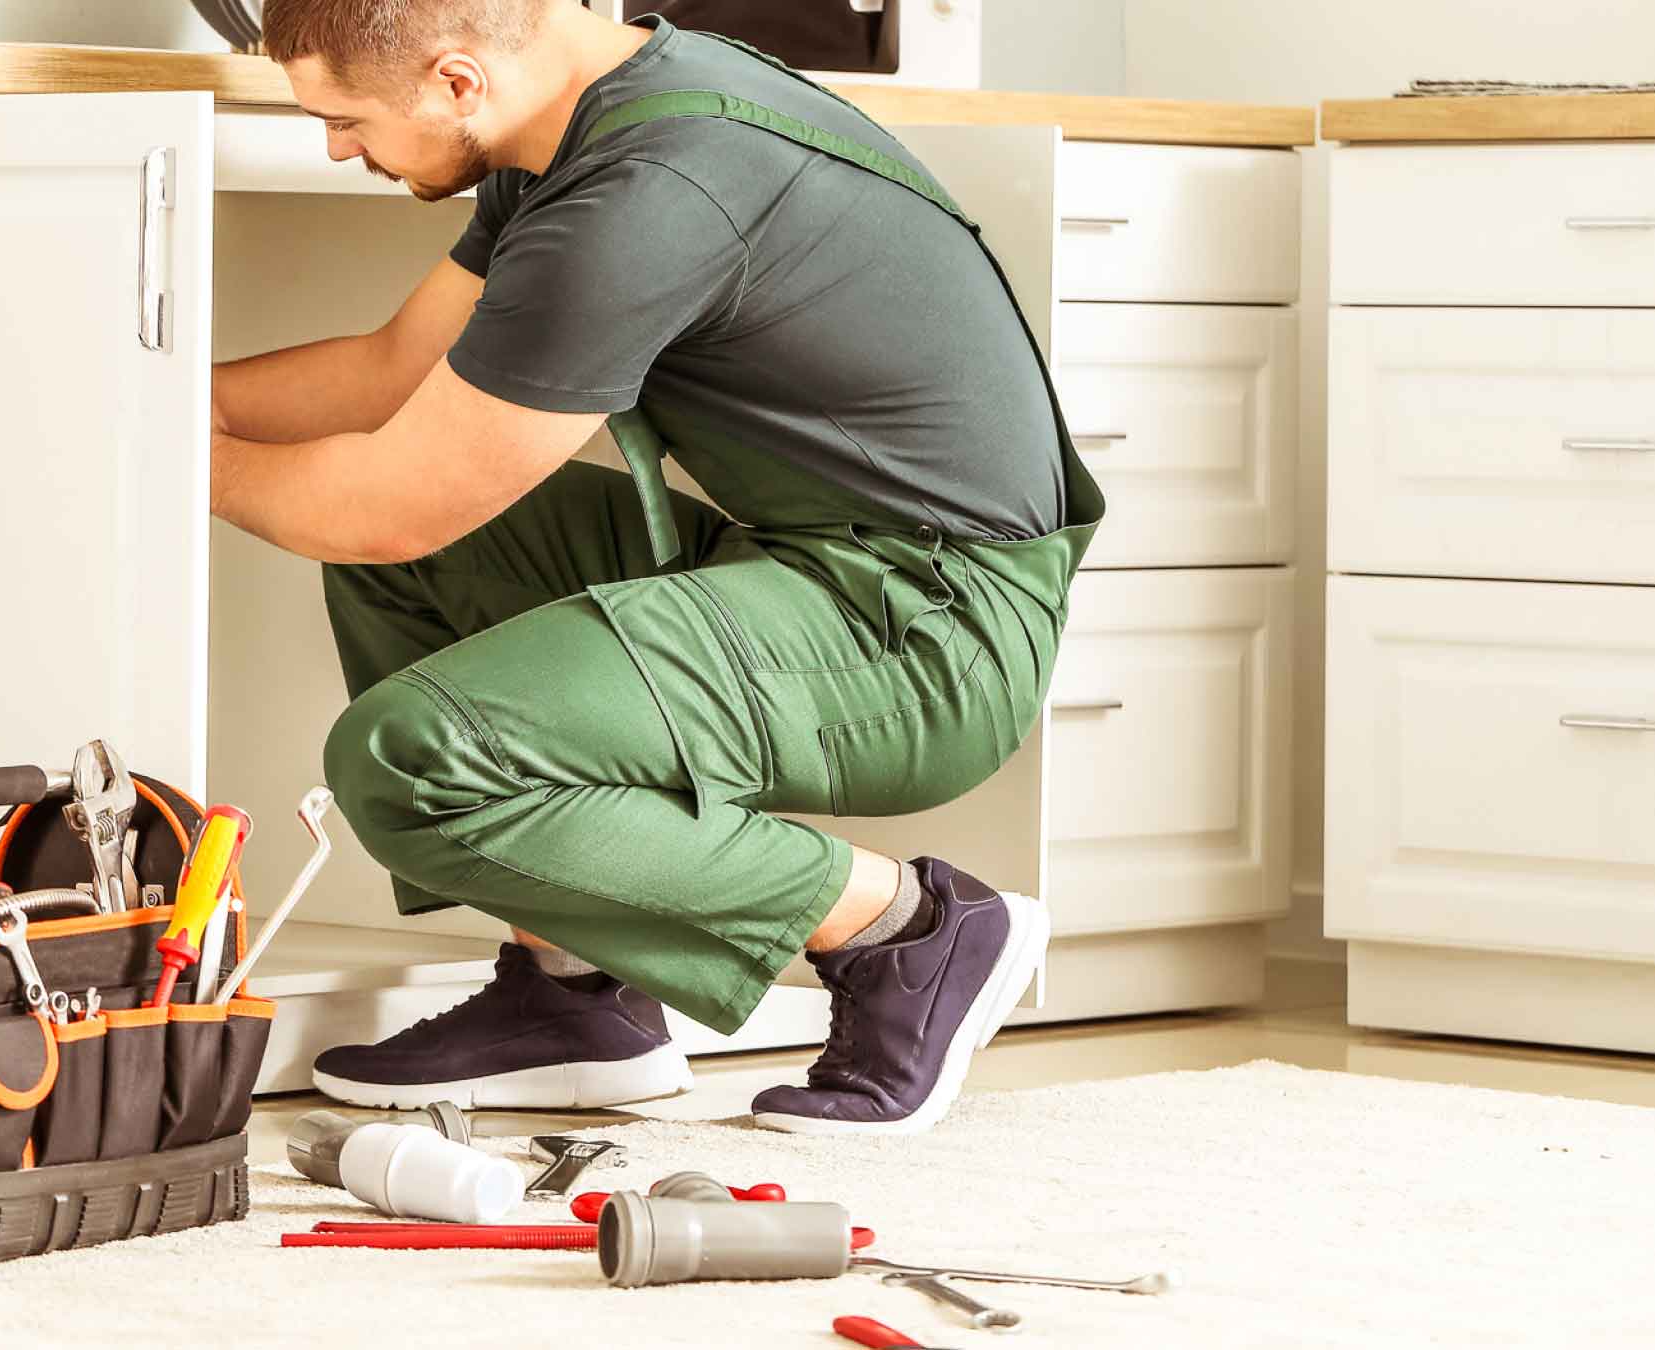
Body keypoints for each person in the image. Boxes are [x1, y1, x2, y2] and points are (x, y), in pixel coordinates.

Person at [208, 0, 1101, 1134]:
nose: (339, 148)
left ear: (457, 82)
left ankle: (908, 932)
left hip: (927, 629)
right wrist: (165, 397)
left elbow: (393, 507)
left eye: (346, 119)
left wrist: (192, 466)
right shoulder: (583, 118)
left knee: (406, 762)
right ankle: (575, 999)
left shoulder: (648, 192)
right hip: (825, 562)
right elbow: (395, 372)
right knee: (422, 566)